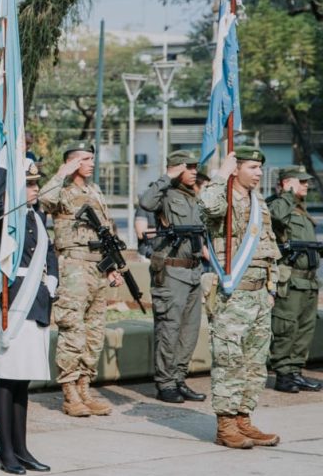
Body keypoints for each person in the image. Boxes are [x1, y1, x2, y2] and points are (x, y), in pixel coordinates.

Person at [199, 148, 282, 448]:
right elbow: (207, 207)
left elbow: (269, 244)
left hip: (259, 295)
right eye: (253, 167)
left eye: (260, 167)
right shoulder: (222, 197)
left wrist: (271, 287)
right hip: (232, 295)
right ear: (236, 169)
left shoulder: (257, 200)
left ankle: (244, 420)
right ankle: (226, 425)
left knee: (255, 363)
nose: (259, 173)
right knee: (229, 360)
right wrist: (221, 173)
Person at [38, 142, 121, 417]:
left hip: (98, 267)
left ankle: (85, 386)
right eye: (85, 159)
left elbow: (107, 229)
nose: (91, 163)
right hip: (73, 267)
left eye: (92, 158)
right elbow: (43, 200)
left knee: (94, 333)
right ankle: (70, 391)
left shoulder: (94, 191)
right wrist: (62, 171)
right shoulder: (61, 190)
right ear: (73, 162)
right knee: (72, 329)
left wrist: (112, 266)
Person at [0, 161, 57, 475]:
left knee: (22, 379)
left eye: (36, 184)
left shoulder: (37, 217)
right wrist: (3, 167)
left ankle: (22, 447)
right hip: (12, 301)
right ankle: (6, 450)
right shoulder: (7, 218)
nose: (35, 189)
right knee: (7, 376)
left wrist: (52, 279)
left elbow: (50, 253)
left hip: (37, 300)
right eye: (28, 184)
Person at [138, 149, 208, 404]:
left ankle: (178, 378)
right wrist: (167, 175)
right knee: (169, 328)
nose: (193, 172)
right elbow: (145, 202)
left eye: (194, 167)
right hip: (171, 271)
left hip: (192, 270)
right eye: (188, 167)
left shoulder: (192, 197)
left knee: (189, 331)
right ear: (177, 168)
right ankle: (165, 383)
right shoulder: (164, 194)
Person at [267, 165, 321, 393]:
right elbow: (276, 216)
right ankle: (284, 374)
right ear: (287, 182)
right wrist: (287, 193)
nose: (306, 185)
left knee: (304, 330)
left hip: (308, 281)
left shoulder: (301, 210)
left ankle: (296, 372)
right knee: (286, 327)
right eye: (301, 181)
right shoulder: (279, 204)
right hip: (290, 281)